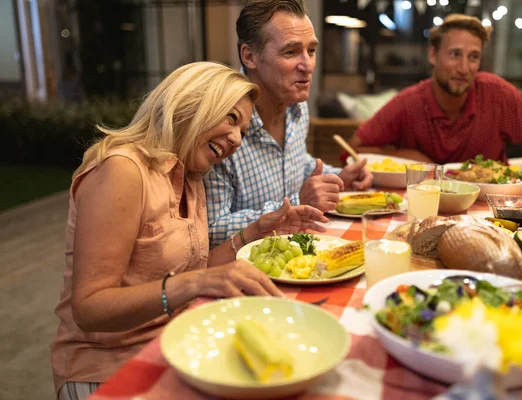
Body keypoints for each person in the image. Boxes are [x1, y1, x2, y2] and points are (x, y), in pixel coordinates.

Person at [50, 62, 329, 399]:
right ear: (192, 102)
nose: (238, 140)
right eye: (232, 119)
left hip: (178, 344)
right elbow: (90, 308)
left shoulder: (191, 176)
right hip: (110, 368)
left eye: (242, 130)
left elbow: (197, 269)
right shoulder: (123, 169)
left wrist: (256, 230)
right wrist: (197, 283)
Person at [203, 0, 373, 247]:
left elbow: (294, 164)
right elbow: (210, 231)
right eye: (291, 52)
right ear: (249, 56)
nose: (307, 66)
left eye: (311, 51)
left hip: (291, 252)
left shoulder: (296, 105)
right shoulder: (220, 121)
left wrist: (338, 177)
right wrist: (295, 203)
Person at [348, 14, 522, 165]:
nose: (464, 68)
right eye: (455, 54)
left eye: (473, 57)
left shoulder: (496, 93)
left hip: (491, 212)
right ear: (433, 55)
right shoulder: (410, 101)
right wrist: (406, 156)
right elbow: (354, 149)